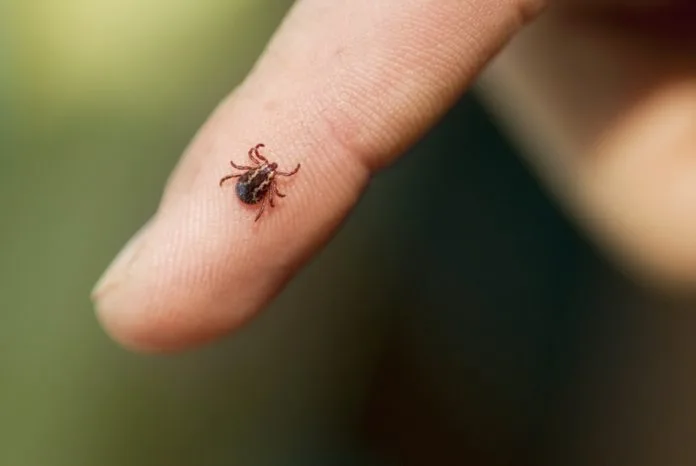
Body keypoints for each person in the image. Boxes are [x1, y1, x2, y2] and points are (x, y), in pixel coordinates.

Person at [91, 0, 696, 351]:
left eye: (260, 172)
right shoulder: (266, 177)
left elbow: (251, 182)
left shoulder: (259, 178)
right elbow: (259, 182)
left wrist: (252, 188)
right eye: (261, 172)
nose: (261, 174)